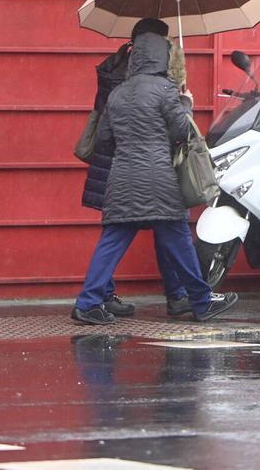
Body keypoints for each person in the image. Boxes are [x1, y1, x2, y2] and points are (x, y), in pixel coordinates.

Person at [72, 32, 238, 325]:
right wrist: (185, 103)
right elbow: (181, 132)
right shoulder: (165, 90)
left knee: (112, 242)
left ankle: (87, 303)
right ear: (162, 56)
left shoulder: (117, 93)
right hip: (159, 179)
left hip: (122, 179)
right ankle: (200, 301)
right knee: (179, 240)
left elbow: (104, 138)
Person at [81, 18, 189, 318]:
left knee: (117, 233)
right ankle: (178, 294)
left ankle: (100, 296)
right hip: (136, 163)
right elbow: (168, 125)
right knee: (165, 229)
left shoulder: (119, 67)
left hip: (118, 164)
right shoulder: (137, 77)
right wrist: (180, 101)